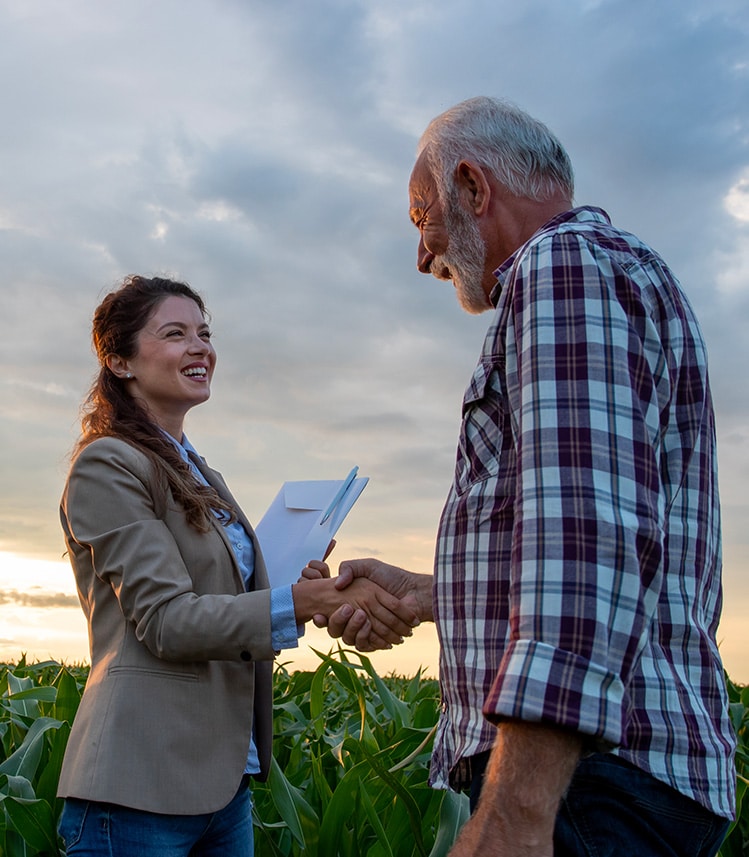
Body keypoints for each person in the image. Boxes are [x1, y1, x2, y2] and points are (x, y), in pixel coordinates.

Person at [320, 97, 737, 856]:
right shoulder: (608, 271)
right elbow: (604, 532)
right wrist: (426, 591)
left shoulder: (561, 266)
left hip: (588, 784)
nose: (422, 254)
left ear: (474, 188)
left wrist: (514, 812)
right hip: (611, 779)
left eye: (422, 217)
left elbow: (584, 541)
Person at [57, 275, 418, 857]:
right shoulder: (108, 465)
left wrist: (297, 587)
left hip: (224, 787)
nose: (200, 346)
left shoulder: (202, 473)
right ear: (120, 360)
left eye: (204, 332)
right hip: (140, 786)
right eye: (175, 334)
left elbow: (231, 607)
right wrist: (300, 605)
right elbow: (167, 621)